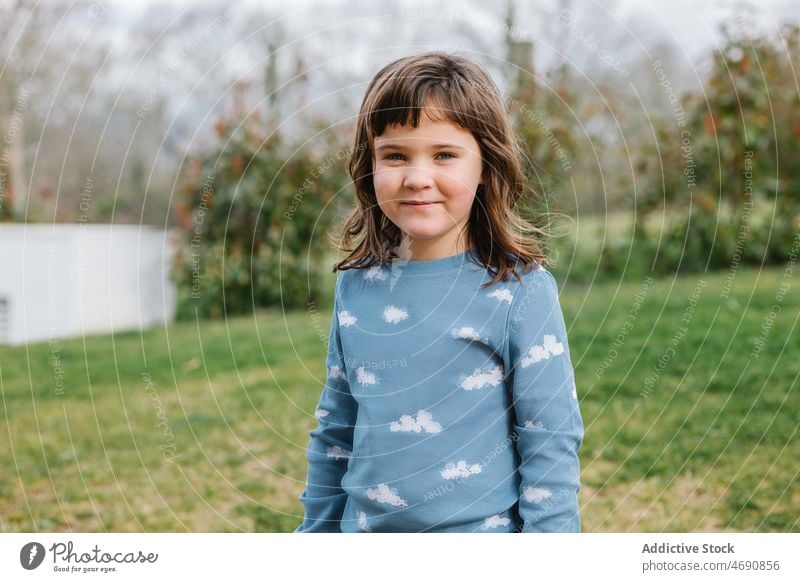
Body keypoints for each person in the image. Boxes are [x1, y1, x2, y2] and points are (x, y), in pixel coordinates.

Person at [295, 51, 583, 533]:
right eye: (395, 155)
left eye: (444, 155)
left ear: (486, 165)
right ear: (368, 165)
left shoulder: (521, 292)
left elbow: (550, 442)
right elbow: (335, 433)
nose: (417, 178)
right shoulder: (356, 287)